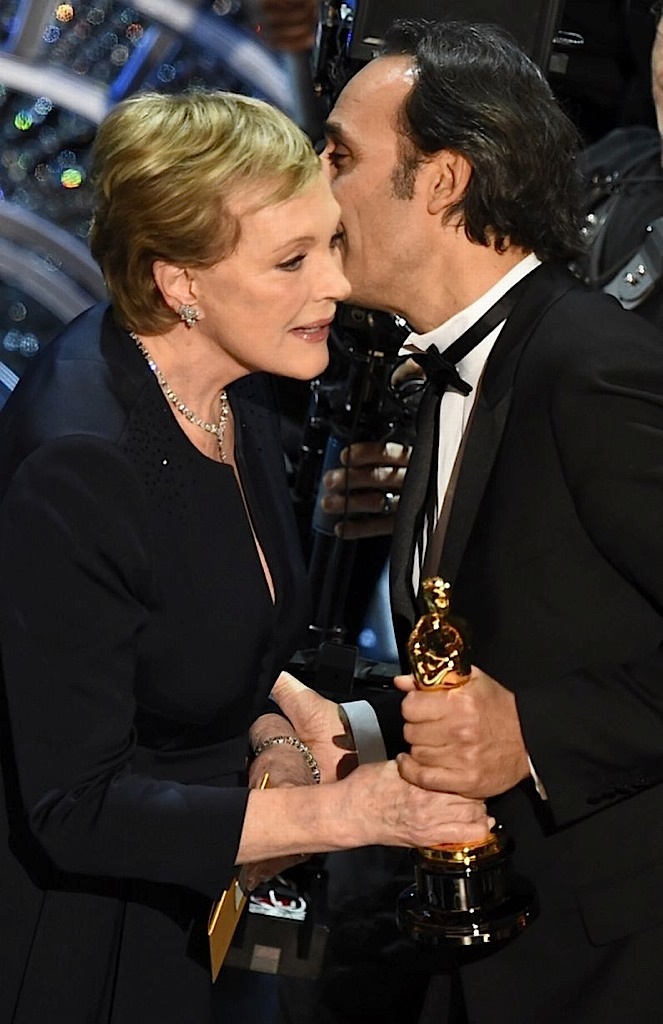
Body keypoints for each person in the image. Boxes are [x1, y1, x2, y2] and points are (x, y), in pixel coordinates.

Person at [0, 89, 493, 1024]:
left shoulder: (248, 385)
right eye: (291, 260)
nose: (336, 284)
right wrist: (355, 812)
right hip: (94, 936)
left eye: (331, 242)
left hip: (225, 897)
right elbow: (75, 809)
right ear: (179, 282)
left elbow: (198, 630)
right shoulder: (78, 465)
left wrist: (274, 724)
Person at [277, 16, 663, 1024]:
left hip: (611, 960)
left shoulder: (591, 368)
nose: (316, 190)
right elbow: (496, 647)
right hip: (484, 942)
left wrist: (534, 734)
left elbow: (521, 707)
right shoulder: (451, 366)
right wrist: (356, 728)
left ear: (443, 181)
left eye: (339, 158)